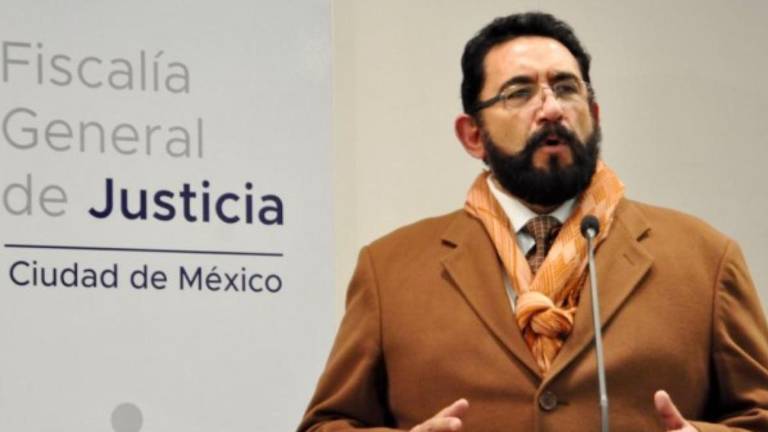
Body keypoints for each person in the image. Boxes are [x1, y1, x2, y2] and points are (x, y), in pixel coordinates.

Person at [298, 12, 768, 432]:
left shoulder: (704, 260)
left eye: (566, 88)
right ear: (473, 135)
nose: (552, 109)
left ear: (594, 115)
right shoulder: (389, 270)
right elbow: (325, 425)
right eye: (519, 93)